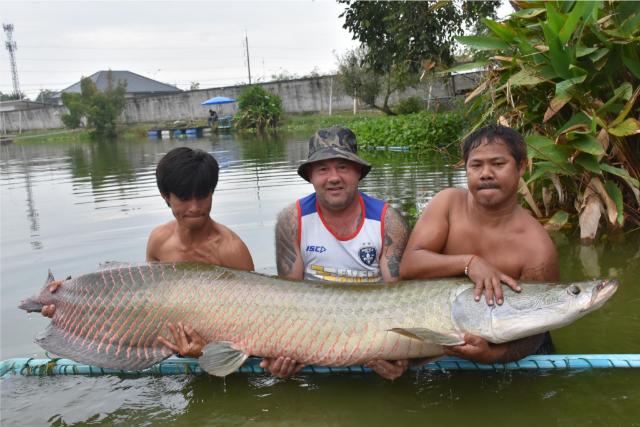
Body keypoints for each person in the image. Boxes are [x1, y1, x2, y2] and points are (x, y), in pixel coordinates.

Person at [43, 148, 255, 358]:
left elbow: (254, 322)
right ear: (166, 197)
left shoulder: (232, 250)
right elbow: (147, 301)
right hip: (171, 349)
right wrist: (69, 295)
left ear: (212, 193)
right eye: (184, 198)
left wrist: (206, 350)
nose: (195, 207)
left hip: (219, 353)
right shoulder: (159, 241)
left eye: (202, 196)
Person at [399, 124, 559, 364]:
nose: (486, 174)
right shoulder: (448, 204)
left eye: (498, 164)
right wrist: (469, 263)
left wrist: (491, 355)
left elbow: (538, 327)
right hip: (445, 335)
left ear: (521, 167)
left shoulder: (536, 247)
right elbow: (409, 265)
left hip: (515, 353)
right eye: (476, 165)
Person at [266, 126, 411, 380]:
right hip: (314, 331)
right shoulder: (291, 221)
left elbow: (401, 301)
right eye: (323, 169)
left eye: (343, 167)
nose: (334, 178)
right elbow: (288, 302)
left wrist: (405, 352)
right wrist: (280, 351)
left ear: (358, 172)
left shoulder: (388, 221)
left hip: (374, 334)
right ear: (311, 176)